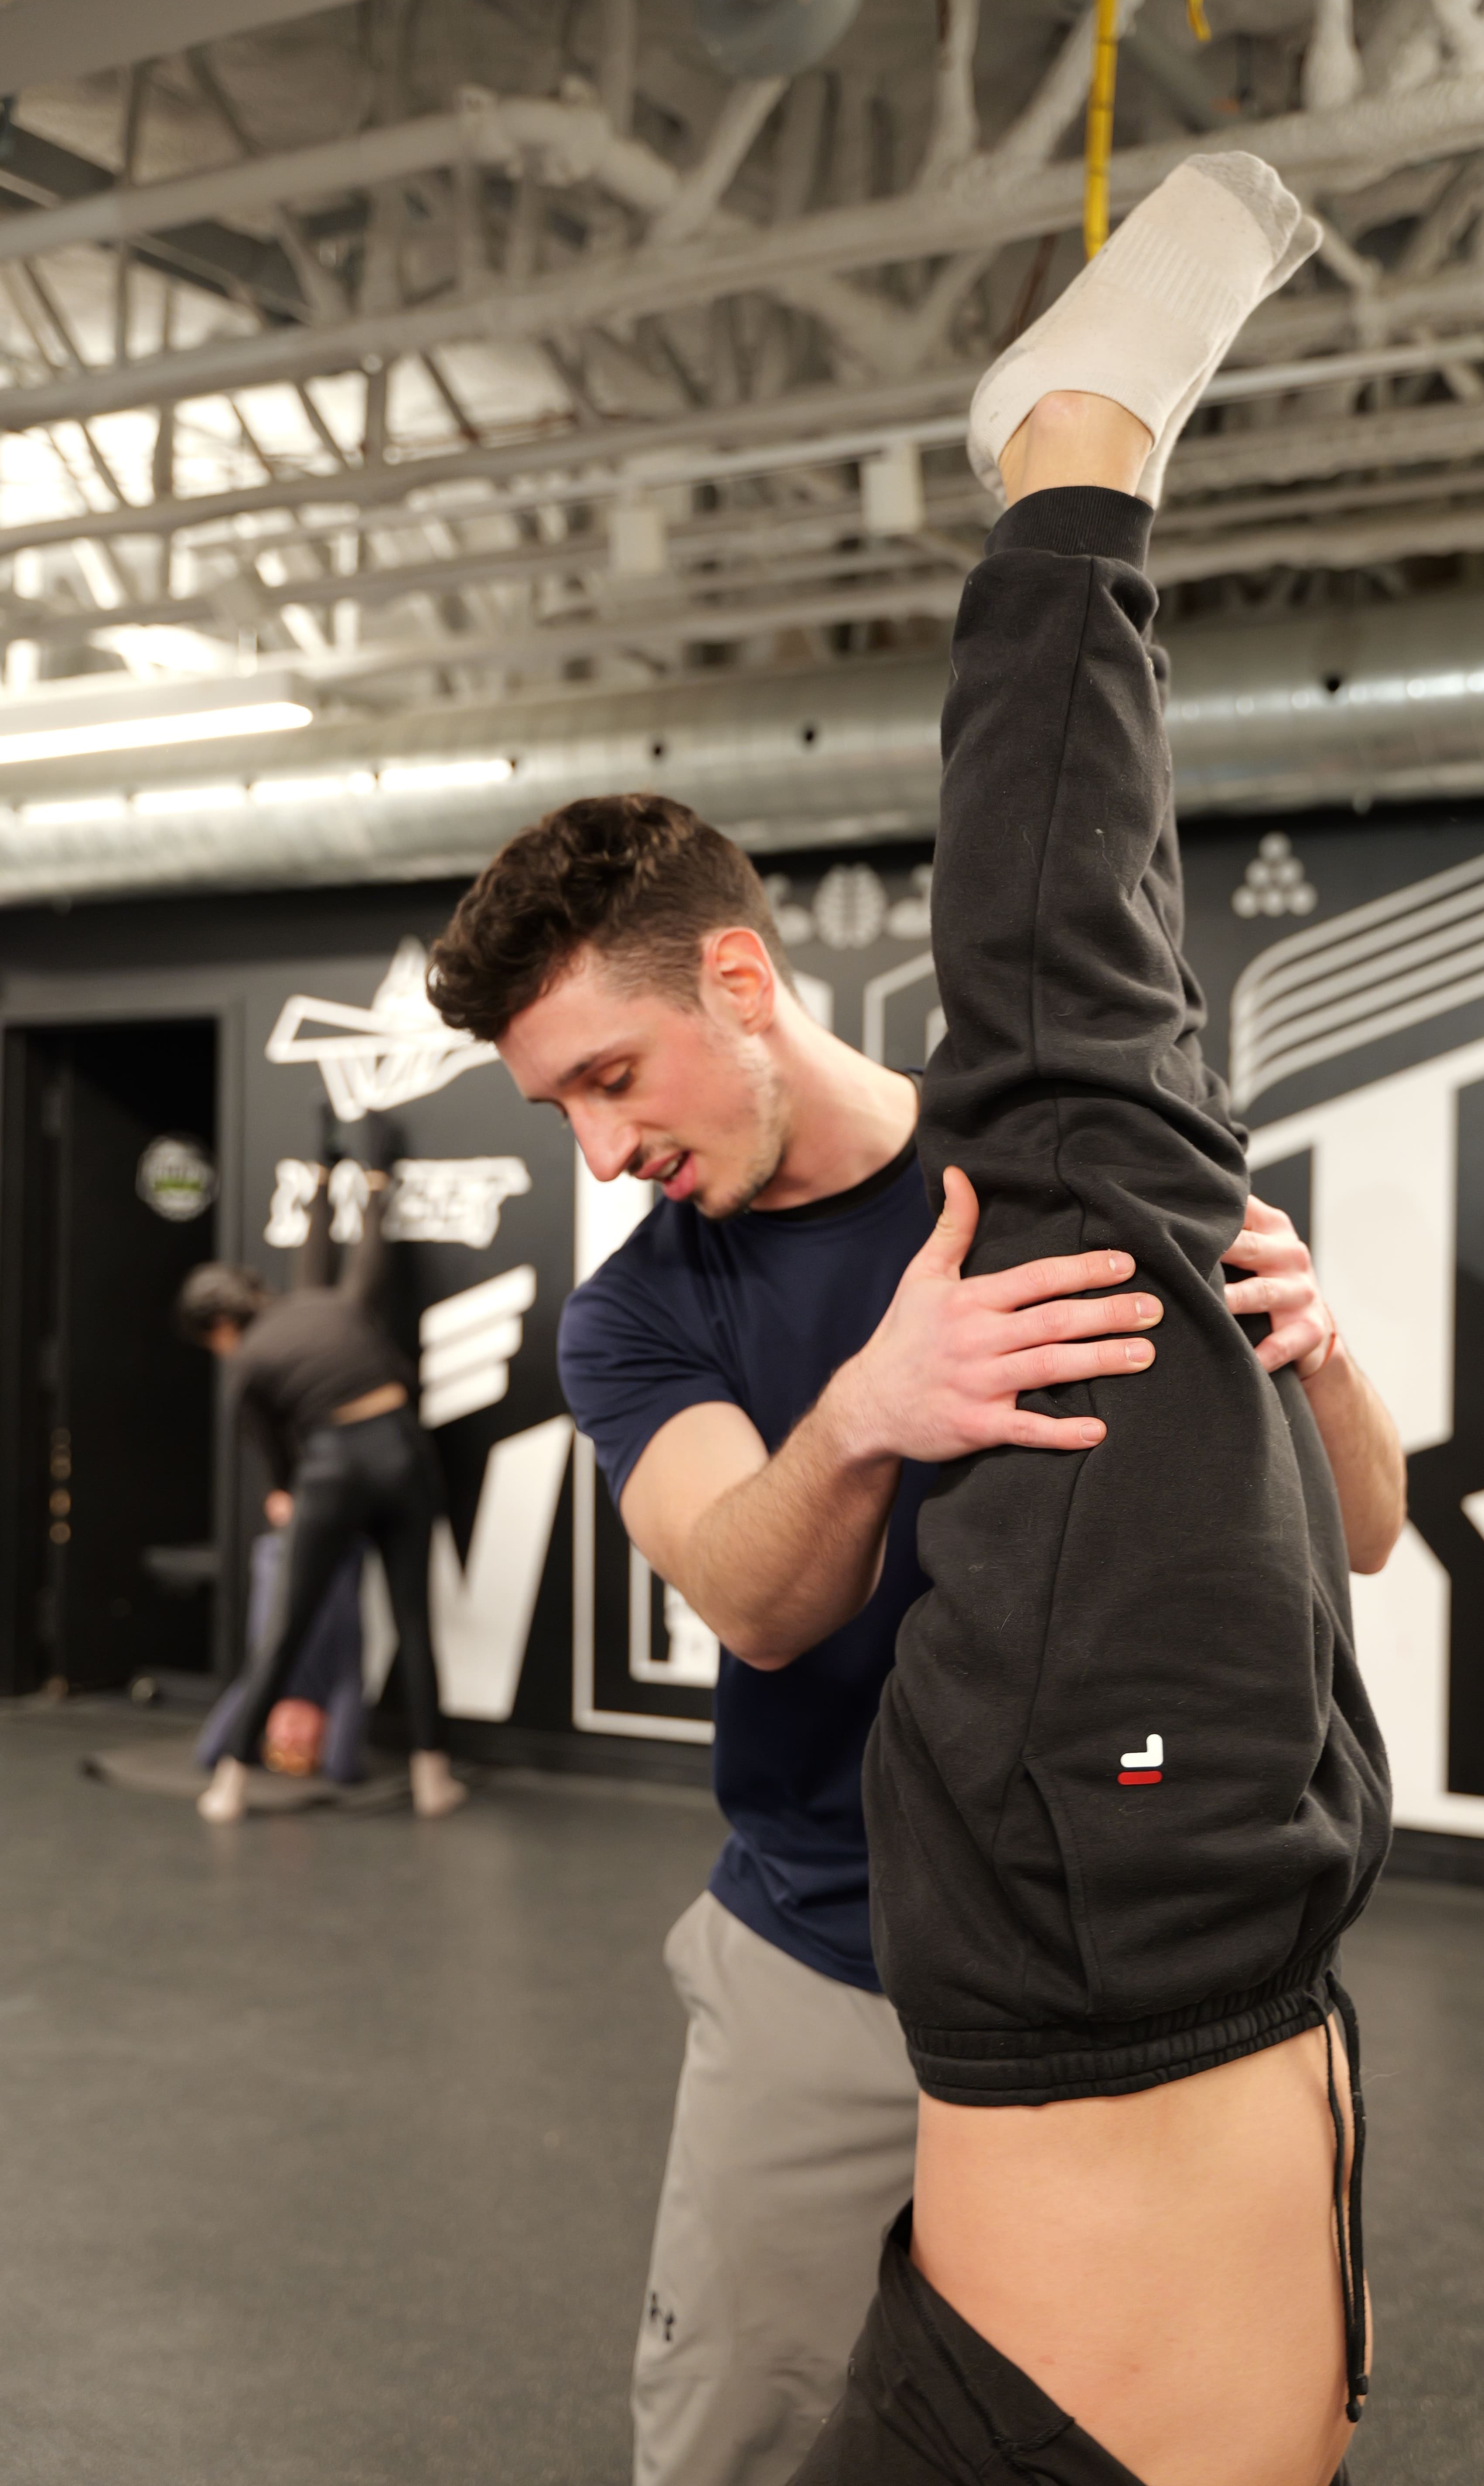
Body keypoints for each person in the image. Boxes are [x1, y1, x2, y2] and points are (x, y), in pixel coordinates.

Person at [426, 503, 1402, 2486]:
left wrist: (1317, 1351)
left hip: (1094, 1977)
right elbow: (752, 1595)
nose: (604, 1149)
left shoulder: (1072, 1189)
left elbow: (1364, 1531)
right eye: (563, 1114)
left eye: (615, 1077)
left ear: (737, 976)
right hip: (826, 1966)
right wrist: (869, 1409)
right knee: (739, 2443)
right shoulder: (638, 1321)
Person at [788, 153, 1392, 2486]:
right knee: (1162, 1178)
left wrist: (858, 1418)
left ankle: (1075, 464)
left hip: (1104, 1892)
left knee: (1085, 1117)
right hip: (1215, 1889)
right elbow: (1368, 1541)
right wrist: (1315, 1352)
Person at [175, 1162, 467, 1824]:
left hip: (333, 1467)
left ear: (221, 1323)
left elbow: (270, 1451)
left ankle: (230, 1784)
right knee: (415, 1623)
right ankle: (433, 1781)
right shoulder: (326, 1305)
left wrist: (283, 1491)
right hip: (404, 1450)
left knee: (285, 1631)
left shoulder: (247, 1363)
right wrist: (370, 1195)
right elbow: (365, 1266)